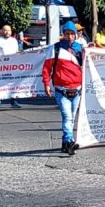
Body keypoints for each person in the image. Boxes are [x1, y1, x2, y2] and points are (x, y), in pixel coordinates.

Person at [42, 21, 85, 155]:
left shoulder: (81, 49)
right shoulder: (55, 48)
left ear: (76, 34)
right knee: (67, 117)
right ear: (63, 34)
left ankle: (65, 144)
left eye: (72, 34)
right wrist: (46, 84)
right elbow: (46, 68)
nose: (70, 36)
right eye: (67, 34)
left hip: (77, 89)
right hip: (61, 90)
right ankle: (69, 141)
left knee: (71, 117)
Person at [0, 24, 21, 108]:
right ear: (2, 31)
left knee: (13, 83)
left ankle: (14, 101)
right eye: (5, 30)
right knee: (0, 84)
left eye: (8, 30)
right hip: (2, 66)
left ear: (11, 31)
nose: (7, 32)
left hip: (13, 66)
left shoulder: (14, 40)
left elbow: (17, 53)